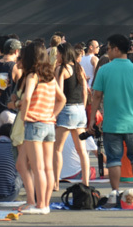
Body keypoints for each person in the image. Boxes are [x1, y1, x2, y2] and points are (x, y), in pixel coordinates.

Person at [89, 34, 133, 197]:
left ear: (116, 49)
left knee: (114, 159)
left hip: (112, 123)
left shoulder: (104, 70)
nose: (107, 52)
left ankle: (115, 192)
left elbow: (97, 96)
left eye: (108, 48)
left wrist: (93, 118)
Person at [18, 41, 66, 214]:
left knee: (38, 168)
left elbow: (27, 98)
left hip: (35, 123)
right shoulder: (51, 76)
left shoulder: (33, 76)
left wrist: (24, 116)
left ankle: (40, 205)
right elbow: (62, 99)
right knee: (47, 167)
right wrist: (52, 114)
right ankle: (44, 204)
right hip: (49, 124)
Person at [53, 42, 90, 189]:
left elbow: (59, 93)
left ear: (63, 53)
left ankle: (55, 182)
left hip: (66, 110)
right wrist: (83, 106)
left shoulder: (61, 69)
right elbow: (85, 91)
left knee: (57, 149)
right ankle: (86, 182)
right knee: (82, 150)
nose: (56, 55)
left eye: (58, 53)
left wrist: (55, 112)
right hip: (80, 109)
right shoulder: (79, 68)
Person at [0, 38, 20, 139]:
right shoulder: (14, 67)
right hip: (11, 111)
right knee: (13, 144)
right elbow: (21, 86)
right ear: (16, 51)